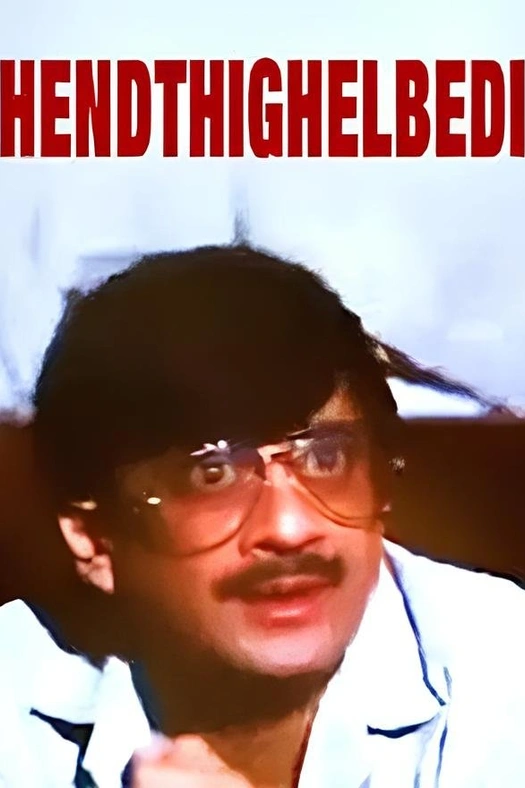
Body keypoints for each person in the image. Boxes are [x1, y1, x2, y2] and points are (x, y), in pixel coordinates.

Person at [0, 242, 523, 788]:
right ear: (94, 537)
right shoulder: (11, 703)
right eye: (212, 474)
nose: (291, 529)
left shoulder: (503, 661)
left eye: (326, 458)